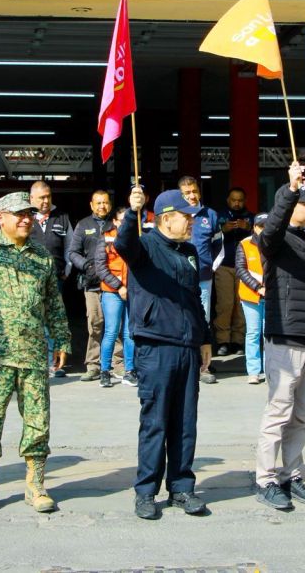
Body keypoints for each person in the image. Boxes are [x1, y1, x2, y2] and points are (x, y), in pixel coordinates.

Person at [0, 166, 70, 515]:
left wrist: (62, 339)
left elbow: (53, 302)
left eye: (29, 214)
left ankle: (35, 485)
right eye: (19, 214)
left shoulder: (42, 256)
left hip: (33, 353)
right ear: (1, 217)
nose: (26, 219)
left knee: (38, 422)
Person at [115, 186, 211, 520]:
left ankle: (181, 487)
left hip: (187, 347)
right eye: (187, 217)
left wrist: (204, 338)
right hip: (156, 346)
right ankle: (145, 492)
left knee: (185, 422)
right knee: (155, 422)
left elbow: (195, 297)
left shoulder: (190, 251)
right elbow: (123, 244)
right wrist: (132, 212)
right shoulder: (144, 246)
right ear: (166, 219)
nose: (192, 222)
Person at [254, 163, 305, 511]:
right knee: (279, 412)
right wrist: (289, 190)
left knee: (301, 414)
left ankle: (292, 473)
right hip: (285, 338)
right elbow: (272, 228)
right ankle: (266, 479)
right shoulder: (276, 240)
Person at [179, 176, 222, 384]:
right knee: (181, 318)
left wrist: (211, 267)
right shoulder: (176, 215)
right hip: (179, 278)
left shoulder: (210, 215)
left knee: (203, 320)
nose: (191, 196)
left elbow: (219, 245)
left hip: (204, 278)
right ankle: (184, 363)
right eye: (187, 193)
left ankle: (203, 366)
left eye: (194, 191)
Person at [29, 180, 73, 377]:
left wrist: (68, 269)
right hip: (30, 281)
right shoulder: (24, 217)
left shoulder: (62, 217)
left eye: (48, 197)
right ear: (31, 198)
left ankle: (52, 364)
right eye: (41, 198)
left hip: (55, 279)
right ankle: (34, 363)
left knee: (54, 321)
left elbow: (70, 246)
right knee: (33, 321)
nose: (46, 201)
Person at [67, 189, 112, 382]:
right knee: (95, 324)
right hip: (92, 284)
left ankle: (116, 364)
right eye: (98, 203)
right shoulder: (83, 225)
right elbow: (72, 252)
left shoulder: (116, 223)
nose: (102, 206)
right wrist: (86, 266)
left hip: (115, 283)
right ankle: (93, 365)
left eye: (105, 202)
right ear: (92, 205)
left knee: (116, 325)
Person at [94, 206, 137, 388]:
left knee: (129, 333)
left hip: (133, 292)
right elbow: (100, 267)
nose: (125, 223)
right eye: (122, 220)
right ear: (115, 222)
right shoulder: (106, 237)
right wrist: (119, 286)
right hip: (112, 291)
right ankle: (105, 371)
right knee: (111, 332)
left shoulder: (138, 237)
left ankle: (130, 371)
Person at [214, 187, 253, 356]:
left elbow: (262, 235)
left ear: (244, 201)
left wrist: (248, 227)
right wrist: (223, 229)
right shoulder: (219, 216)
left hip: (245, 267)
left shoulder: (251, 217)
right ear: (228, 200)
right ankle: (223, 341)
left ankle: (238, 341)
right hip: (224, 265)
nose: (237, 203)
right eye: (233, 200)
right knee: (225, 304)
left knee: (241, 305)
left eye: (240, 200)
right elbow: (209, 237)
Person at [235, 213, 268, 384]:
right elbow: (241, 269)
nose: (264, 229)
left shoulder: (277, 243)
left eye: (267, 226)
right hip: (250, 295)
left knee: (269, 335)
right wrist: (258, 287)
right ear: (254, 227)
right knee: (253, 333)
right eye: (261, 226)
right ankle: (253, 371)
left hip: (271, 296)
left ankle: (270, 370)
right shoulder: (244, 244)